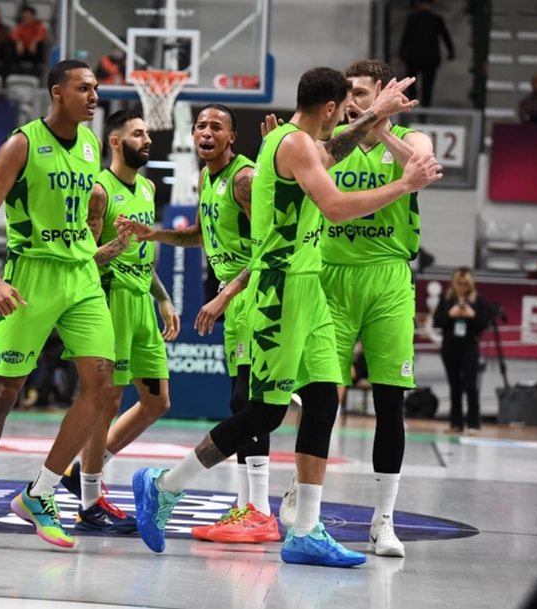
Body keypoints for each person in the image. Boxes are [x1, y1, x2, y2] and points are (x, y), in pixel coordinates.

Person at [120, 68, 440, 566]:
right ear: (330, 108)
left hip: (311, 288)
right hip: (280, 289)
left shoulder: (300, 143)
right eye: (344, 108)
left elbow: (333, 151)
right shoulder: (290, 144)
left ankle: (306, 531)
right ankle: (164, 485)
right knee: (264, 413)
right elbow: (335, 208)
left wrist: (377, 117)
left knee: (322, 402)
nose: (345, 118)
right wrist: (405, 185)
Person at [0, 59, 115, 550]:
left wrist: (96, 244)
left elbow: (84, 213)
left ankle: (40, 493)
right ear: (57, 92)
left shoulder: (92, 145)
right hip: (30, 277)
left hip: (81, 277)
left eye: (96, 88)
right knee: (5, 391)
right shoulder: (21, 144)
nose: (93, 95)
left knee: (102, 386)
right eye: (84, 87)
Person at [274, 59, 435, 559]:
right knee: (322, 395)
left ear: (383, 93)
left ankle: (383, 521)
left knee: (390, 401)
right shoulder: (330, 144)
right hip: (331, 275)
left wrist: (380, 126)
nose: (351, 103)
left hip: (388, 278)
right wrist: (363, 123)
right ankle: (303, 496)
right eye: (348, 96)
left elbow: (422, 167)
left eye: (361, 94)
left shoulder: (410, 137)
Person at [116, 103, 280, 543]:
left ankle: (259, 508)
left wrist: (226, 294)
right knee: (242, 402)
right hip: (235, 296)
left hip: (256, 294)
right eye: (201, 125)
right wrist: (155, 234)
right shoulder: (209, 178)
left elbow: (269, 245)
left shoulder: (244, 179)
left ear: (232, 137)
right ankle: (250, 508)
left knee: (255, 401)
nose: (206, 132)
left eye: (216, 126)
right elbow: (202, 235)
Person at [57, 109, 180, 533]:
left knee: (157, 402)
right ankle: (90, 501)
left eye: (147, 133)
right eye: (138, 134)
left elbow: (143, 254)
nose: (147, 140)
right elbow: (83, 259)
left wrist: (163, 298)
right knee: (107, 400)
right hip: (111, 300)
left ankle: (83, 471)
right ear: (115, 141)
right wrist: (115, 247)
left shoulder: (147, 188)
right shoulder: (99, 192)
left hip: (142, 301)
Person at [433, 267, 488, 433]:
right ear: (454, 284)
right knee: (454, 384)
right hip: (450, 345)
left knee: (470, 384)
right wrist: (451, 314)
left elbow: (484, 323)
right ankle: (456, 422)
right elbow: (438, 321)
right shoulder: (447, 299)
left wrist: (472, 315)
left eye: (465, 284)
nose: (462, 287)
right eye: (459, 283)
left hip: (469, 345)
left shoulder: (477, 300)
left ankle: (473, 423)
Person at [398, 0, 454, 108]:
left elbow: (406, 37)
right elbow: (445, 36)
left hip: (413, 56)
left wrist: (401, 54)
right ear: (432, 5)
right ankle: (425, 108)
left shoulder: (412, 19)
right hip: (430, 57)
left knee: (411, 82)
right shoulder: (436, 19)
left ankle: (412, 102)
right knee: (427, 84)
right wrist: (451, 51)